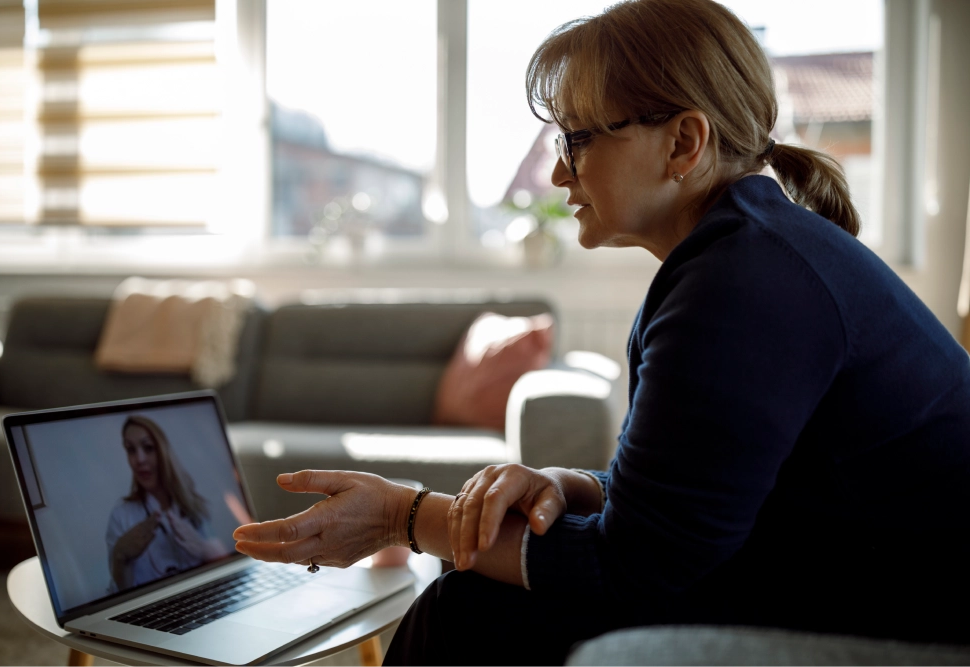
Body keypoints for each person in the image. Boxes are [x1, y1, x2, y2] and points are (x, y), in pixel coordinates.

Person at [231, 0, 970, 663]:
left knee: (473, 611)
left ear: (683, 143)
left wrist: (404, 514)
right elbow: (694, 494)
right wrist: (575, 485)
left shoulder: (744, 278)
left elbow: (635, 566)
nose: (559, 174)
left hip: (906, 608)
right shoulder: (749, 250)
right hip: (841, 566)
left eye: (578, 140)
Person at [106, 415, 226, 591]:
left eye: (148, 448)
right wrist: (120, 557)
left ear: (164, 451)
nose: (139, 459)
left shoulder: (194, 505)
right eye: (131, 450)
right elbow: (119, 596)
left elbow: (227, 565)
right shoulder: (121, 516)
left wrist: (203, 549)